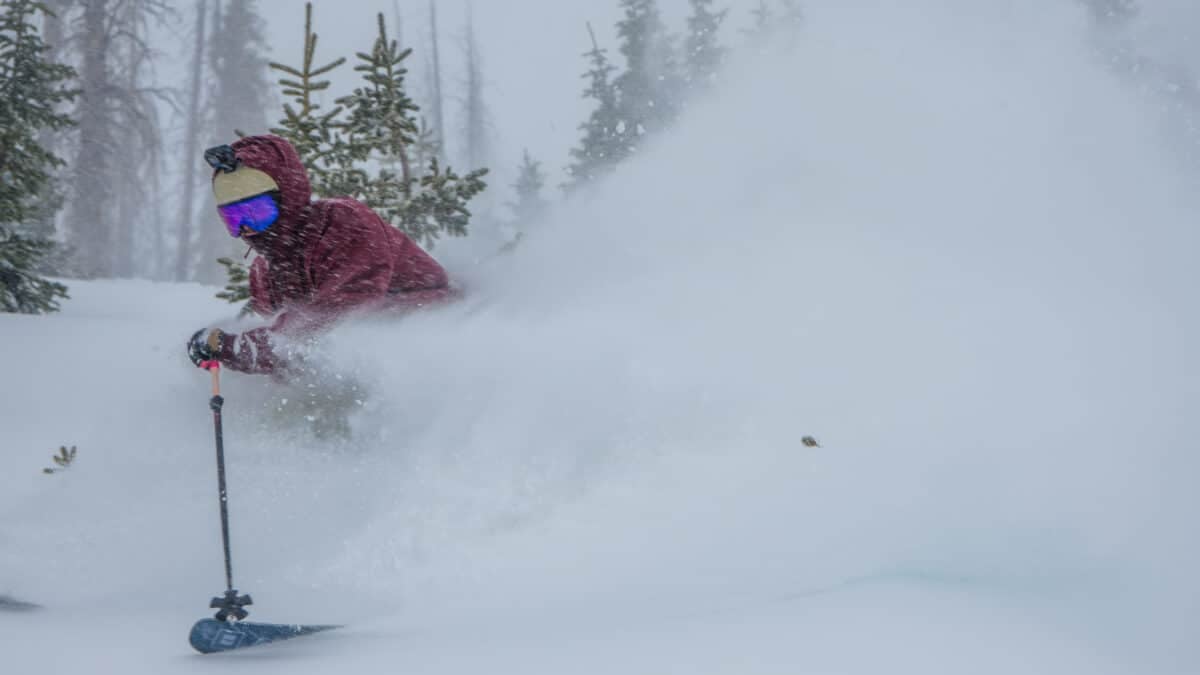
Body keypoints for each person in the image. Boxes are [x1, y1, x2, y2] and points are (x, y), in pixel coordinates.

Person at [186, 134, 455, 376]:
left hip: (428, 346)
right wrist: (218, 346)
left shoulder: (342, 226)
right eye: (233, 218)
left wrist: (234, 347)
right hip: (357, 365)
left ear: (288, 197)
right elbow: (290, 350)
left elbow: (323, 321)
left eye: (257, 213)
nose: (246, 228)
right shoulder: (264, 272)